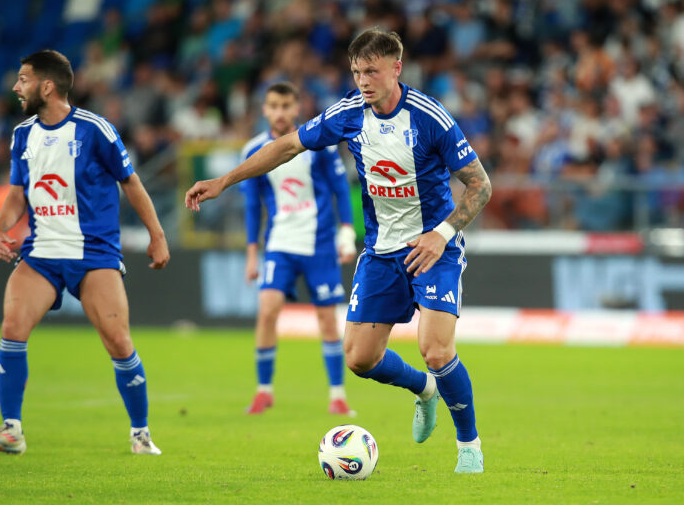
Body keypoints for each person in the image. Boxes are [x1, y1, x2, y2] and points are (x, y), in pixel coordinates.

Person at [185, 29, 492, 473]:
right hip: (382, 252)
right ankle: (425, 390)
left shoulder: (430, 117)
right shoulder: (348, 113)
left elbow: (480, 185)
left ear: (396, 68)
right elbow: (287, 145)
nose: (363, 81)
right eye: (356, 72)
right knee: (359, 358)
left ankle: (469, 447)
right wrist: (224, 181)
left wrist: (442, 234)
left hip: (433, 248)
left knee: (437, 350)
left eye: (372, 71)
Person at [0, 50, 170, 455]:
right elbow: (18, 192)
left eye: (23, 79)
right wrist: (0, 226)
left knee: (118, 341)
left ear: (47, 86)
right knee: (12, 327)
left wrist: (156, 234)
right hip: (42, 252)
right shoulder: (22, 134)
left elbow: (131, 182)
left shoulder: (95, 129)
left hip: (94, 253)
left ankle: (140, 434)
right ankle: (12, 429)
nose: (15, 87)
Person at [240, 81, 357, 415]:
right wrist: (252, 253)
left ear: (296, 108)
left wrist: (347, 232)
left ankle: (337, 395)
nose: (280, 112)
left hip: (319, 243)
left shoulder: (317, 144)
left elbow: (340, 188)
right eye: (274, 106)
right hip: (280, 243)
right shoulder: (253, 150)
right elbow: (252, 206)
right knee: (267, 310)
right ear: (265, 110)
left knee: (327, 319)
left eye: (285, 106)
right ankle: (264, 391)